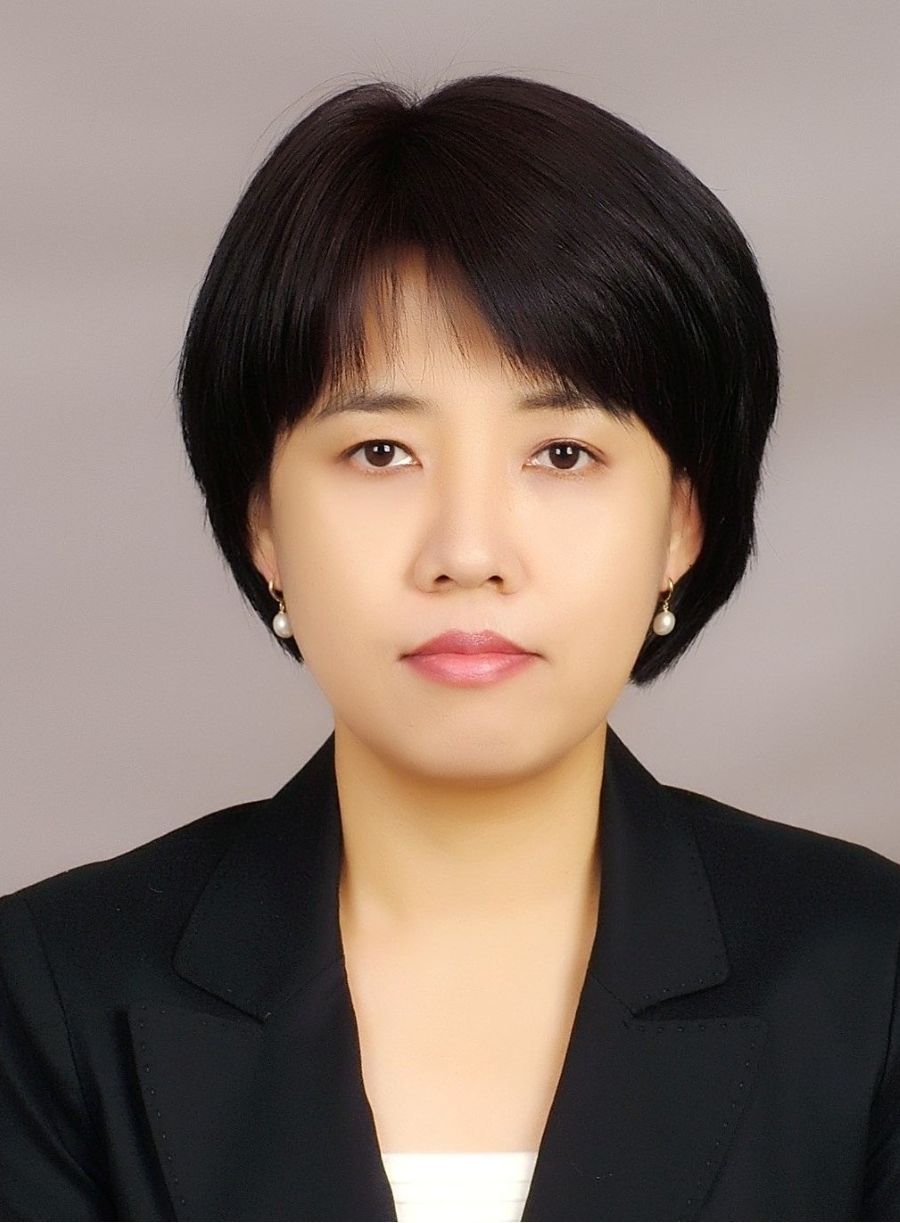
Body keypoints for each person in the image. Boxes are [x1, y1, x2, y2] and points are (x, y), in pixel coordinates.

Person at [1, 72, 898, 1223]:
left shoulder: (871, 976)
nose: (468, 551)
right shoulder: (53, 993)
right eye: (381, 452)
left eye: (562, 454)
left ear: (682, 521)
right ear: (263, 521)